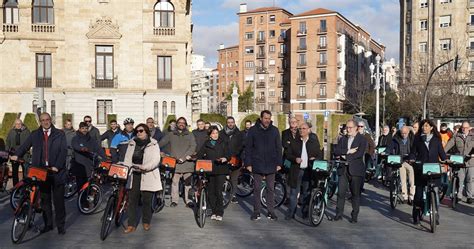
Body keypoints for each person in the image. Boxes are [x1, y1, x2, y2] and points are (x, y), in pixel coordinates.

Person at [11, 113, 67, 235]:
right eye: (43, 120)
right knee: (45, 200)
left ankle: (61, 225)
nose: (45, 122)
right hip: (41, 171)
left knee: (58, 201)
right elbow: (24, 146)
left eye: (47, 120)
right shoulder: (35, 134)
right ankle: (48, 224)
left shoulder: (60, 134)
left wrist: (57, 166)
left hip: (56, 172)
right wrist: (17, 155)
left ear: (50, 120)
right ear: (40, 122)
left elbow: (63, 152)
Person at [123, 124, 162, 233]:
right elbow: (127, 158)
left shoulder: (153, 144)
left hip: (147, 173)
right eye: (137, 131)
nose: (139, 133)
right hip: (134, 173)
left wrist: (144, 167)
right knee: (132, 200)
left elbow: (155, 160)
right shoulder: (132, 143)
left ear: (146, 132)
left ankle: (146, 221)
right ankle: (131, 224)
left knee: (146, 200)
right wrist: (129, 167)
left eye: (141, 131)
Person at [245, 110, 282, 221]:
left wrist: (279, 163)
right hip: (257, 163)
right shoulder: (252, 130)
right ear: (261, 118)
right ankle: (256, 212)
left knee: (270, 189)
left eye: (269, 118)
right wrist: (248, 163)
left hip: (271, 164)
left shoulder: (275, 130)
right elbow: (248, 148)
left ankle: (271, 212)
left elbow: (279, 148)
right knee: (256, 189)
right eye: (265, 118)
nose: (267, 120)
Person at [409, 119, 446, 225]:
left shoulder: (436, 140)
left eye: (426, 126)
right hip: (421, 169)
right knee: (419, 195)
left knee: (435, 192)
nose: (424, 128)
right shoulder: (417, 139)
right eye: (423, 126)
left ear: (431, 128)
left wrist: (446, 160)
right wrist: (412, 159)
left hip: (434, 169)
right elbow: (413, 152)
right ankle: (416, 213)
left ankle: (435, 213)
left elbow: (442, 154)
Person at [285, 122, 322, 220]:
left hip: (308, 171)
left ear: (309, 130)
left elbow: (319, 154)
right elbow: (288, 154)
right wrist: (295, 159)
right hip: (296, 171)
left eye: (304, 128)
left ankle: (305, 212)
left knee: (306, 193)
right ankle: (291, 213)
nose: (301, 130)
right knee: (293, 193)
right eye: (300, 129)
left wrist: (315, 158)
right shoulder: (294, 142)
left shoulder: (313, 143)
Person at [334, 119, 368, 223]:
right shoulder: (343, 139)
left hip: (356, 170)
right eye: (347, 127)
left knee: (355, 194)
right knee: (341, 193)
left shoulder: (362, 139)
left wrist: (345, 156)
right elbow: (336, 151)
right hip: (343, 169)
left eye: (350, 127)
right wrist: (348, 151)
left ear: (356, 128)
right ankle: (338, 214)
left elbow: (359, 154)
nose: (348, 129)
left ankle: (354, 216)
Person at [159, 117, 196, 208]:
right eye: (179, 122)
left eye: (183, 123)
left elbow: (193, 146)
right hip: (175, 163)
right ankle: (174, 200)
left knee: (187, 183)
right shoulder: (171, 134)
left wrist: (184, 158)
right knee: (175, 182)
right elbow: (160, 143)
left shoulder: (190, 134)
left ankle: (189, 201)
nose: (181, 124)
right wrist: (159, 151)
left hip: (187, 162)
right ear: (177, 124)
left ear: (185, 124)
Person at [197, 126, 229, 221]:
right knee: (211, 192)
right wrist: (193, 157)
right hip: (210, 170)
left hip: (221, 169)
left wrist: (225, 158)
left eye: (216, 133)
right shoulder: (206, 144)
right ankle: (214, 211)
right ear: (210, 135)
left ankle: (220, 212)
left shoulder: (223, 142)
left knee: (218, 191)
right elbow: (200, 154)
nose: (215, 135)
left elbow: (228, 154)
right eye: (213, 133)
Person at [71, 122, 105, 191]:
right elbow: (75, 146)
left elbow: (98, 148)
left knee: (88, 187)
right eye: (82, 128)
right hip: (79, 167)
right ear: (79, 129)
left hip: (89, 166)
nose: (84, 130)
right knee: (81, 188)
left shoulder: (91, 139)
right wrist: (82, 149)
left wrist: (105, 157)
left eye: (86, 128)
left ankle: (87, 201)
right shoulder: (75, 138)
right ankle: (81, 201)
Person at [444, 121, 473, 204]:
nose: (464, 129)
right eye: (463, 127)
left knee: (470, 180)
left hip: (470, 162)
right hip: (459, 161)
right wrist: (443, 153)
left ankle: (469, 196)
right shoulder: (457, 136)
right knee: (460, 179)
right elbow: (449, 144)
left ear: (469, 128)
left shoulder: (473, 136)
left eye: (466, 127)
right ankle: (459, 196)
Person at [387, 126, 415, 204]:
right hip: (400, 161)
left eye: (405, 133)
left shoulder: (412, 139)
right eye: (402, 133)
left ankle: (412, 195)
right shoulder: (396, 139)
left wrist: (413, 158)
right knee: (402, 177)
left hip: (409, 160)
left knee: (411, 174)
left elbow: (415, 150)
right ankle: (404, 195)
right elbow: (390, 147)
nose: (403, 135)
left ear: (408, 132)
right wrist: (386, 152)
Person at [220, 116, 244, 204]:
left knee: (234, 179)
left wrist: (235, 154)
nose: (230, 124)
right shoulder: (221, 133)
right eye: (229, 122)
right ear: (226, 123)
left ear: (234, 123)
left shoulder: (239, 133)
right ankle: (222, 195)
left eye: (232, 122)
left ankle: (233, 195)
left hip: (236, 159)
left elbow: (242, 146)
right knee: (222, 178)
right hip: (224, 159)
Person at [6, 118, 31, 186]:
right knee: (15, 172)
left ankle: (25, 187)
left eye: (19, 124)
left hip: (24, 154)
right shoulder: (11, 132)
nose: (18, 125)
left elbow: (30, 142)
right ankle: (15, 187)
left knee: (25, 172)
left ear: (22, 124)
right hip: (14, 154)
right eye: (16, 124)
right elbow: (8, 142)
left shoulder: (26, 131)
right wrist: (7, 152)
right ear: (14, 124)